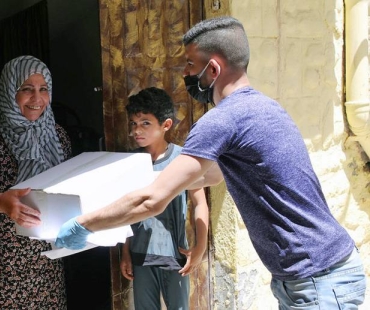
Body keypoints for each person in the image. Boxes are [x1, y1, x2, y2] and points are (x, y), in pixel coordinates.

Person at [55, 16, 367, 309]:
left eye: (190, 64)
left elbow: (152, 202)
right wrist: (137, 184)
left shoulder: (221, 120)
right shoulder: (264, 107)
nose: (186, 74)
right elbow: (211, 176)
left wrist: (82, 224)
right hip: (316, 271)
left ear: (213, 70)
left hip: (317, 279)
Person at [0, 55, 71, 309]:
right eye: (26, 89)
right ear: (10, 90)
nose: (37, 99)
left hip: (49, 257)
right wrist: (0, 202)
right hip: (6, 260)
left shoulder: (58, 135)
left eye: (43, 89)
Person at [120, 87, 209, 310]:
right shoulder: (131, 163)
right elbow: (125, 213)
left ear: (166, 125)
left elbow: (200, 203)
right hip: (141, 255)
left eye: (145, 123)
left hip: (175, 256)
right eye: (133, 123)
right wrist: (125, 253)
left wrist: (200, 246)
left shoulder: (182, 159)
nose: (136, 131)